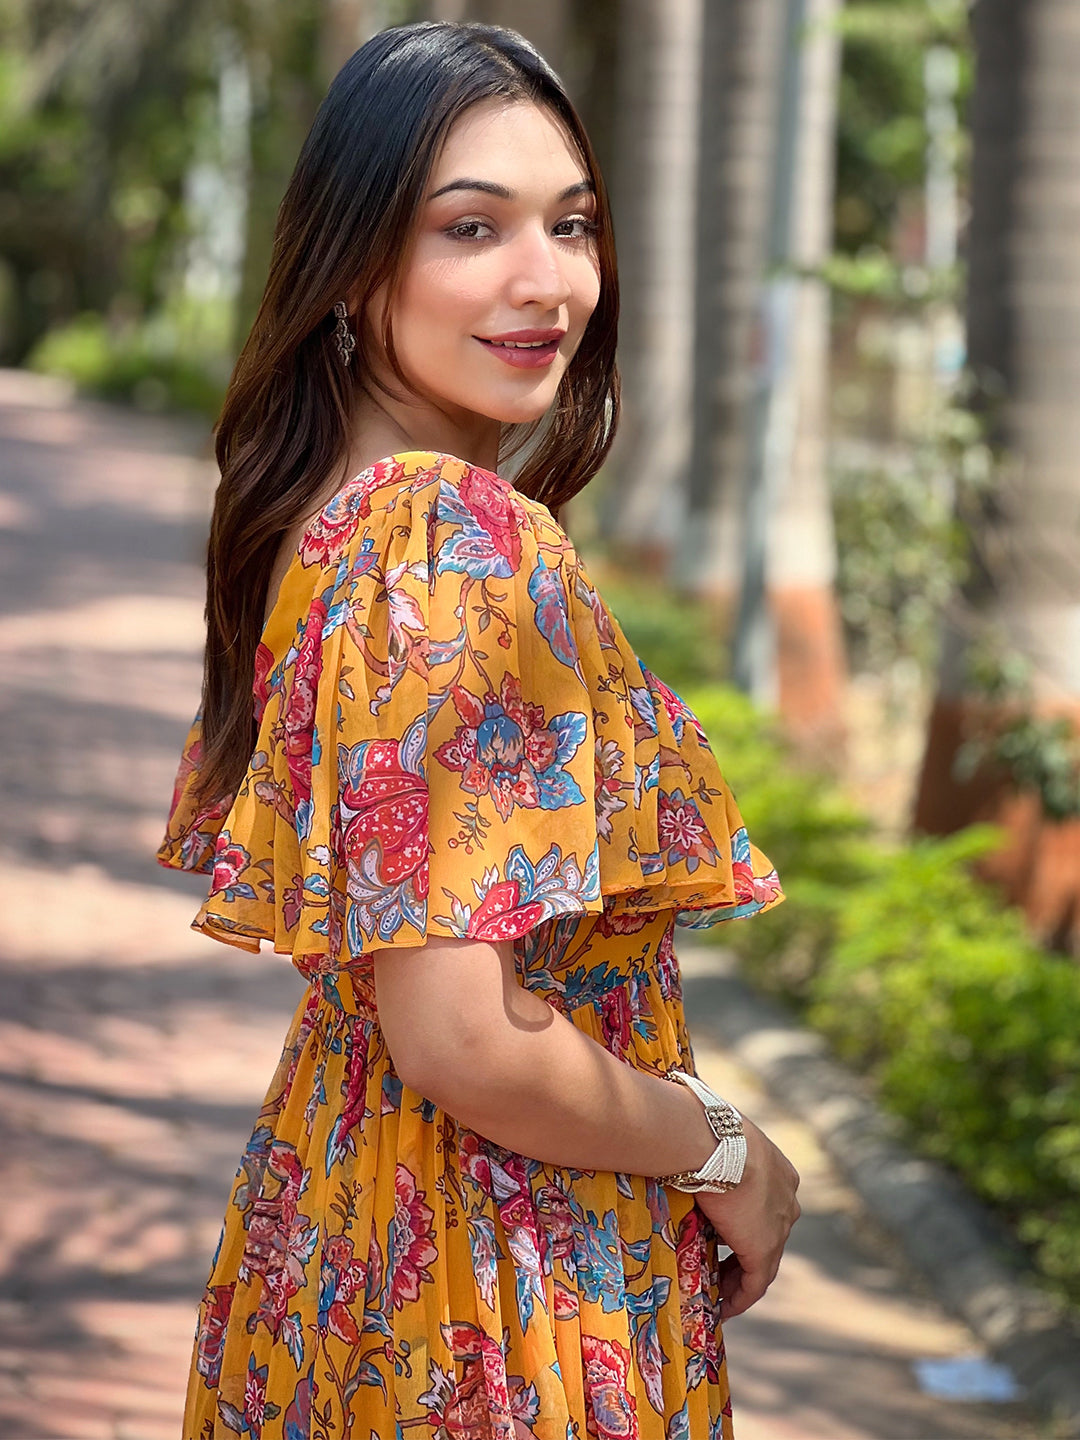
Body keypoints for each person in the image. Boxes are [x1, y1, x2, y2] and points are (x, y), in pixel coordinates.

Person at [157, 19, 800, 1440]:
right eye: (471, 227)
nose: (547, 280)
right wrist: (724, 1149)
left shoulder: (328, 521)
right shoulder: (446, 533)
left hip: (349, 1232)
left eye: (570, 223)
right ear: (351, 267)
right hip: (494, 1283)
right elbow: (469, 1038)